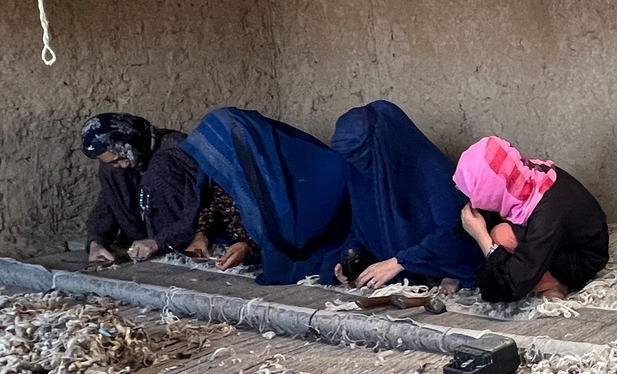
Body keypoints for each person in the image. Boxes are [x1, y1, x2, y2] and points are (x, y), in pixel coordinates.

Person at [182, 108, 351, 285]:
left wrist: (248, 245)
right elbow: (216, 203)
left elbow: (286, 227)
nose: (216, 160)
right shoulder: (228, 165)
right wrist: (202, 235)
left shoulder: (270, 173)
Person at [325, 101, 481, 290]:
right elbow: (364, 228)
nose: (357, 162)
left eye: (361, 153)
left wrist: (400, 262)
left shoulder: (431, 172)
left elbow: (456, 235)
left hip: (440, 265)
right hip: (398, 271)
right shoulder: (362, 173)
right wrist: (352, 254)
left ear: (383, 143)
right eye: (350, 156)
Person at [454, 137, 609, 303]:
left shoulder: (547, 213)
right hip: (560, 236)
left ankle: (556, 284)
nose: (473, 200)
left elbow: (510, 288)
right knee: (488, 222)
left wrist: (481, 237)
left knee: (502, 235)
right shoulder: (522, 177)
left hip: (581, 260)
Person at [81, 113, 205, 266]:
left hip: (183, 237)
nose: (123, 165)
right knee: (111, 171)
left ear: (131, 139)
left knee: (160, 169)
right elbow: (107, 203)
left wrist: (158, 242)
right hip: (142, 239)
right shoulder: (116, 167)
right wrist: (96, 242)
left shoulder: (175, 151)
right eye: (114, 161)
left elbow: (203, 207)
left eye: (122, 158)